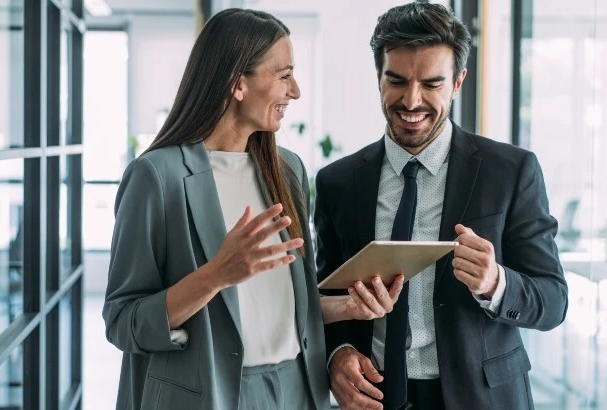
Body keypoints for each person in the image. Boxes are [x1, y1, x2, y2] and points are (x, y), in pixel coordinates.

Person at [102, 8, 403, 410]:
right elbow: (124, 322)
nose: (295, 91)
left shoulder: (287, 170)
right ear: (237, 83)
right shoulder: (156, 177)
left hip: (296, 390)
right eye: (284, 75)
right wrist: (216, 275)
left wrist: (348, 306)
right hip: (209, 394)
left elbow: (277, 307)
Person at [314, 3, 569, 410]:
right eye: (396, 80)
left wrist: (496, 283)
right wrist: (336, 355)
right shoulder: (337, 183)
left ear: (458, 82)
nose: (411, 101)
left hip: (482, 398)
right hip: (374, 397)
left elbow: (553, 300)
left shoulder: (511, 171)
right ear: (377, 77)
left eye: (431, 84)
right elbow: (323, 294)